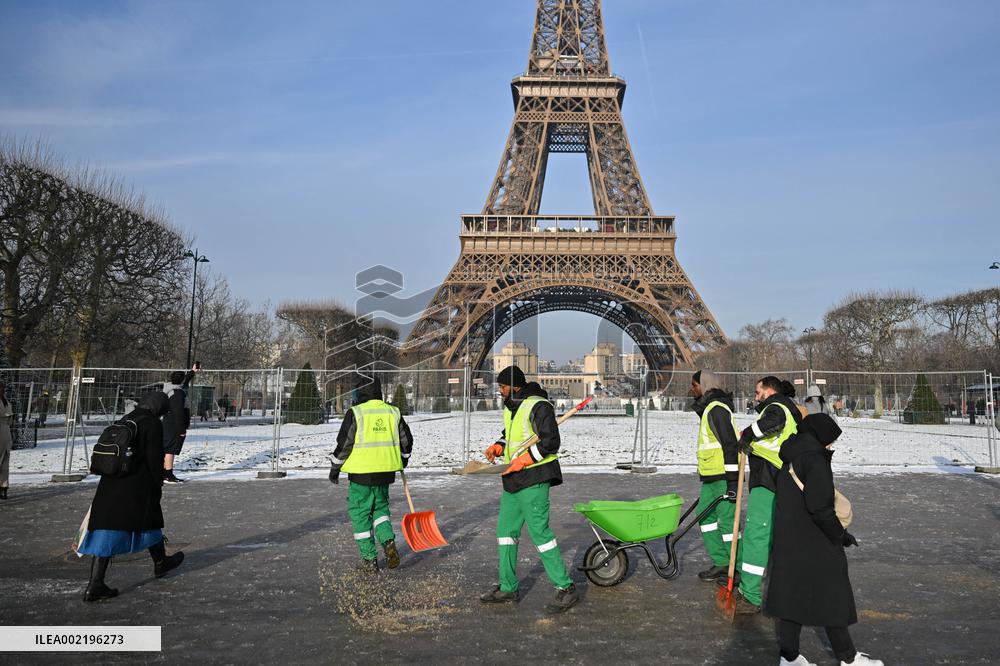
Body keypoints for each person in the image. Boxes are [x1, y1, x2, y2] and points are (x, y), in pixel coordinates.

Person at [768, 413, 883, 666]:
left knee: (791, 597)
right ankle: (849, 659)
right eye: (829, 441)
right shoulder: (815, 460)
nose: (830, 446)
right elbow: (820, 508)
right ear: (820, 438)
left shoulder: (790, 456)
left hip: (789, 540)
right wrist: (840, 535)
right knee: (833, 596)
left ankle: (789, 657)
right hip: (816, 540)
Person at [480, 366, 579, 614]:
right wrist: (499, 446)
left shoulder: (538, 405)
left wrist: (524, 460)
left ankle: (565, 587)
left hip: (534, 478)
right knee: (505, 531)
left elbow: (550, 443)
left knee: (540, 534)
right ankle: (508, 586)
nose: (500, 391)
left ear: (515, 387)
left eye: (502, 387)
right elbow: (512, 436)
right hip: (513, 480)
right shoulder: (512, 407)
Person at [78, 391, 185, 602]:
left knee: (109, 529)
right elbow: (155, 459)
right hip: (137, 484)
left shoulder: (127, 418)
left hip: (111, 482)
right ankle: (98, 583)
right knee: (145, 519)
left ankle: (98, 582)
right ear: (157, 408)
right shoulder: (152, 424)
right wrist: (158, 483)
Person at [722, 375, 803, 614]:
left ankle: (751, 595)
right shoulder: (787, 408)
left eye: (758, 392)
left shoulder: (776, 408)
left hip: (768, 480)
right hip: (777, 480)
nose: (755, 397)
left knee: (757, 536)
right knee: (769, 538)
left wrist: (747, 434)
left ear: (768, 391)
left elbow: (772, 423)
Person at [329, 377, 413, 572]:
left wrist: (335, 468)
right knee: (380, 510)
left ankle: (369, 559)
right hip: (385, 472)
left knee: (360, 514)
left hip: (361, 475)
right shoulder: (393, 412)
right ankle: (388, 541)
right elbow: (406, 440)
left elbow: (344, 444)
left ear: (360, 393)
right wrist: (403, 459)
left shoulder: (356, 413)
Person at [690, 370, 740, 581]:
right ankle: (721, 562)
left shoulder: (717, 409)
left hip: (722, 476)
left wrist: (733, 481)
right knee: (704, 515)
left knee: (728, 523)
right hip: (711, 476)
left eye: (694, 385)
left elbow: (730, 445)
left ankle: (736, 567)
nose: (692, 389)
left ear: (704, 385)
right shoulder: (710, 408)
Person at [161, 368, 195, 484]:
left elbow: (184, 382)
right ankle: (168, 475)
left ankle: (164, 472)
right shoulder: (177, 393)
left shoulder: (171, 388)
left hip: (168, 421)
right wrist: (182, 430)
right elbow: (178, 413)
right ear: (180, 381)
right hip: (173, 424)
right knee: (170, 449)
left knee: (167, 448)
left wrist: (193, 372)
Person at [0, 382, 12, 500]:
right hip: (6, 432)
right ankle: (3, 488)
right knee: (5, 461)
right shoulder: (7, 403)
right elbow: (10, 420)